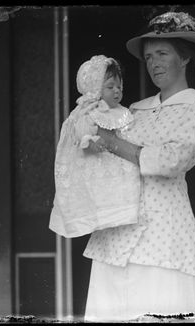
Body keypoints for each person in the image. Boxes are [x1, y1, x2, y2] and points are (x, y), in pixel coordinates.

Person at [82, 11, 195, 321]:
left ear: (185, 59)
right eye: (149, 56)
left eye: (162, 53)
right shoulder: (135, 110)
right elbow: (106, 162)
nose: (154, 62)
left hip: (164, 240)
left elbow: (170, 161)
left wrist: (112, 142)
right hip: (115, 236)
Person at [49, 55, 141, 238]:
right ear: (95, 89)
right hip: (98, 162)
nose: (116, 91)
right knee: (98, 190)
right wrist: (89, 141)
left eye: (119, 87)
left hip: (120, 165)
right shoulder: (88, 111)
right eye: (110, 87)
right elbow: (81, 131)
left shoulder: (122, 112)